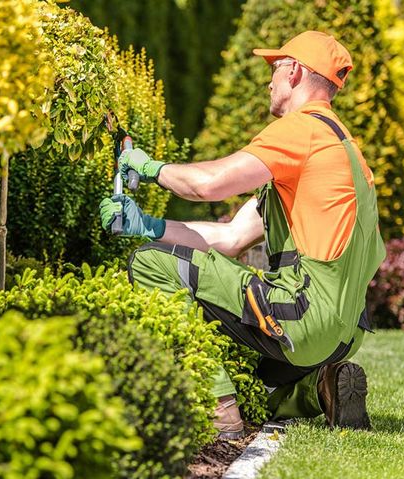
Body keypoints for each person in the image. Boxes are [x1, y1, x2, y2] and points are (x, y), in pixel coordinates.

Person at [99, 31, 386, 439]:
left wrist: (150, 168)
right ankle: (319, 389)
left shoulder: (301, 130)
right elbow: (231, 237)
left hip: (302, 318)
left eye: (274, 69)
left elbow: (208, 185)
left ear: (294, 72)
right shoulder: (344, 150)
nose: (268, 80)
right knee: (251, 377)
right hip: (342, 335)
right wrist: (148, 226)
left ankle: (217, 409)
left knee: (148, 263)